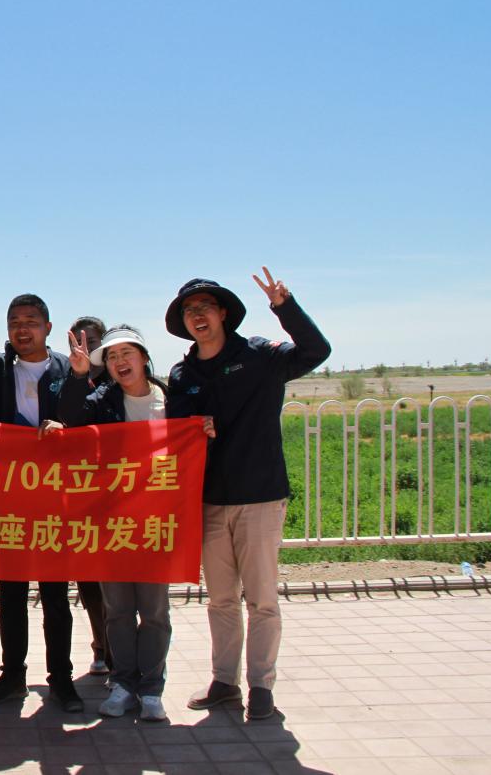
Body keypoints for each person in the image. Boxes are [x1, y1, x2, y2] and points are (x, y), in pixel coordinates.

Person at [166, 269, 330, 720]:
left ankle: (261, 686)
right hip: (209, 500)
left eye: (205, 306)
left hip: (259, 496)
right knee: (220, 600)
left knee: (261, 600)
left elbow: (316, 351)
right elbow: (177, 427)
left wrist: (285, 307)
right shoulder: (182, 373)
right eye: (189, 310)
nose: (197, 315)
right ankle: (224, 682)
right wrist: (194, 426)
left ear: (223, 313)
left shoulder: (260, 356)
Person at [0, 257, 82, 712]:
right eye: (14, 323)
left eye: (30, 322)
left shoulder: (69, 369)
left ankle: (62, 680)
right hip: (8, 499)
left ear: (48, 327)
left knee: (55, 595)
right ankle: (12, 676)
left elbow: (87, 418)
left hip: (56, 500)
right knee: (10, 594)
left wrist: (71, 401)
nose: (22, 330)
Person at [53, 325, 186, 722]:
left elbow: (194, 444)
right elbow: (71, 417)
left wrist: (206, 432)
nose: (119, 361)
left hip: (157, 522)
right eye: (111, 356)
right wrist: (78, 375)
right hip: (112, 522)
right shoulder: (103, 400)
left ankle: (152, 688)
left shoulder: (172, 400)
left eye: (127, 353)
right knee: (118, 610)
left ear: (144, 357)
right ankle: (124, 683)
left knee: (155, 611)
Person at [67, 316, 112, 681]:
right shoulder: (69, 381)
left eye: (92, 341)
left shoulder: (121, 382)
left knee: (121, 584)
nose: (84, 348)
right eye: (76, 342)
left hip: (121, 498)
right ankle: (101, 646)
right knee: (89, 583)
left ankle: (124, 653)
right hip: (81, 498)